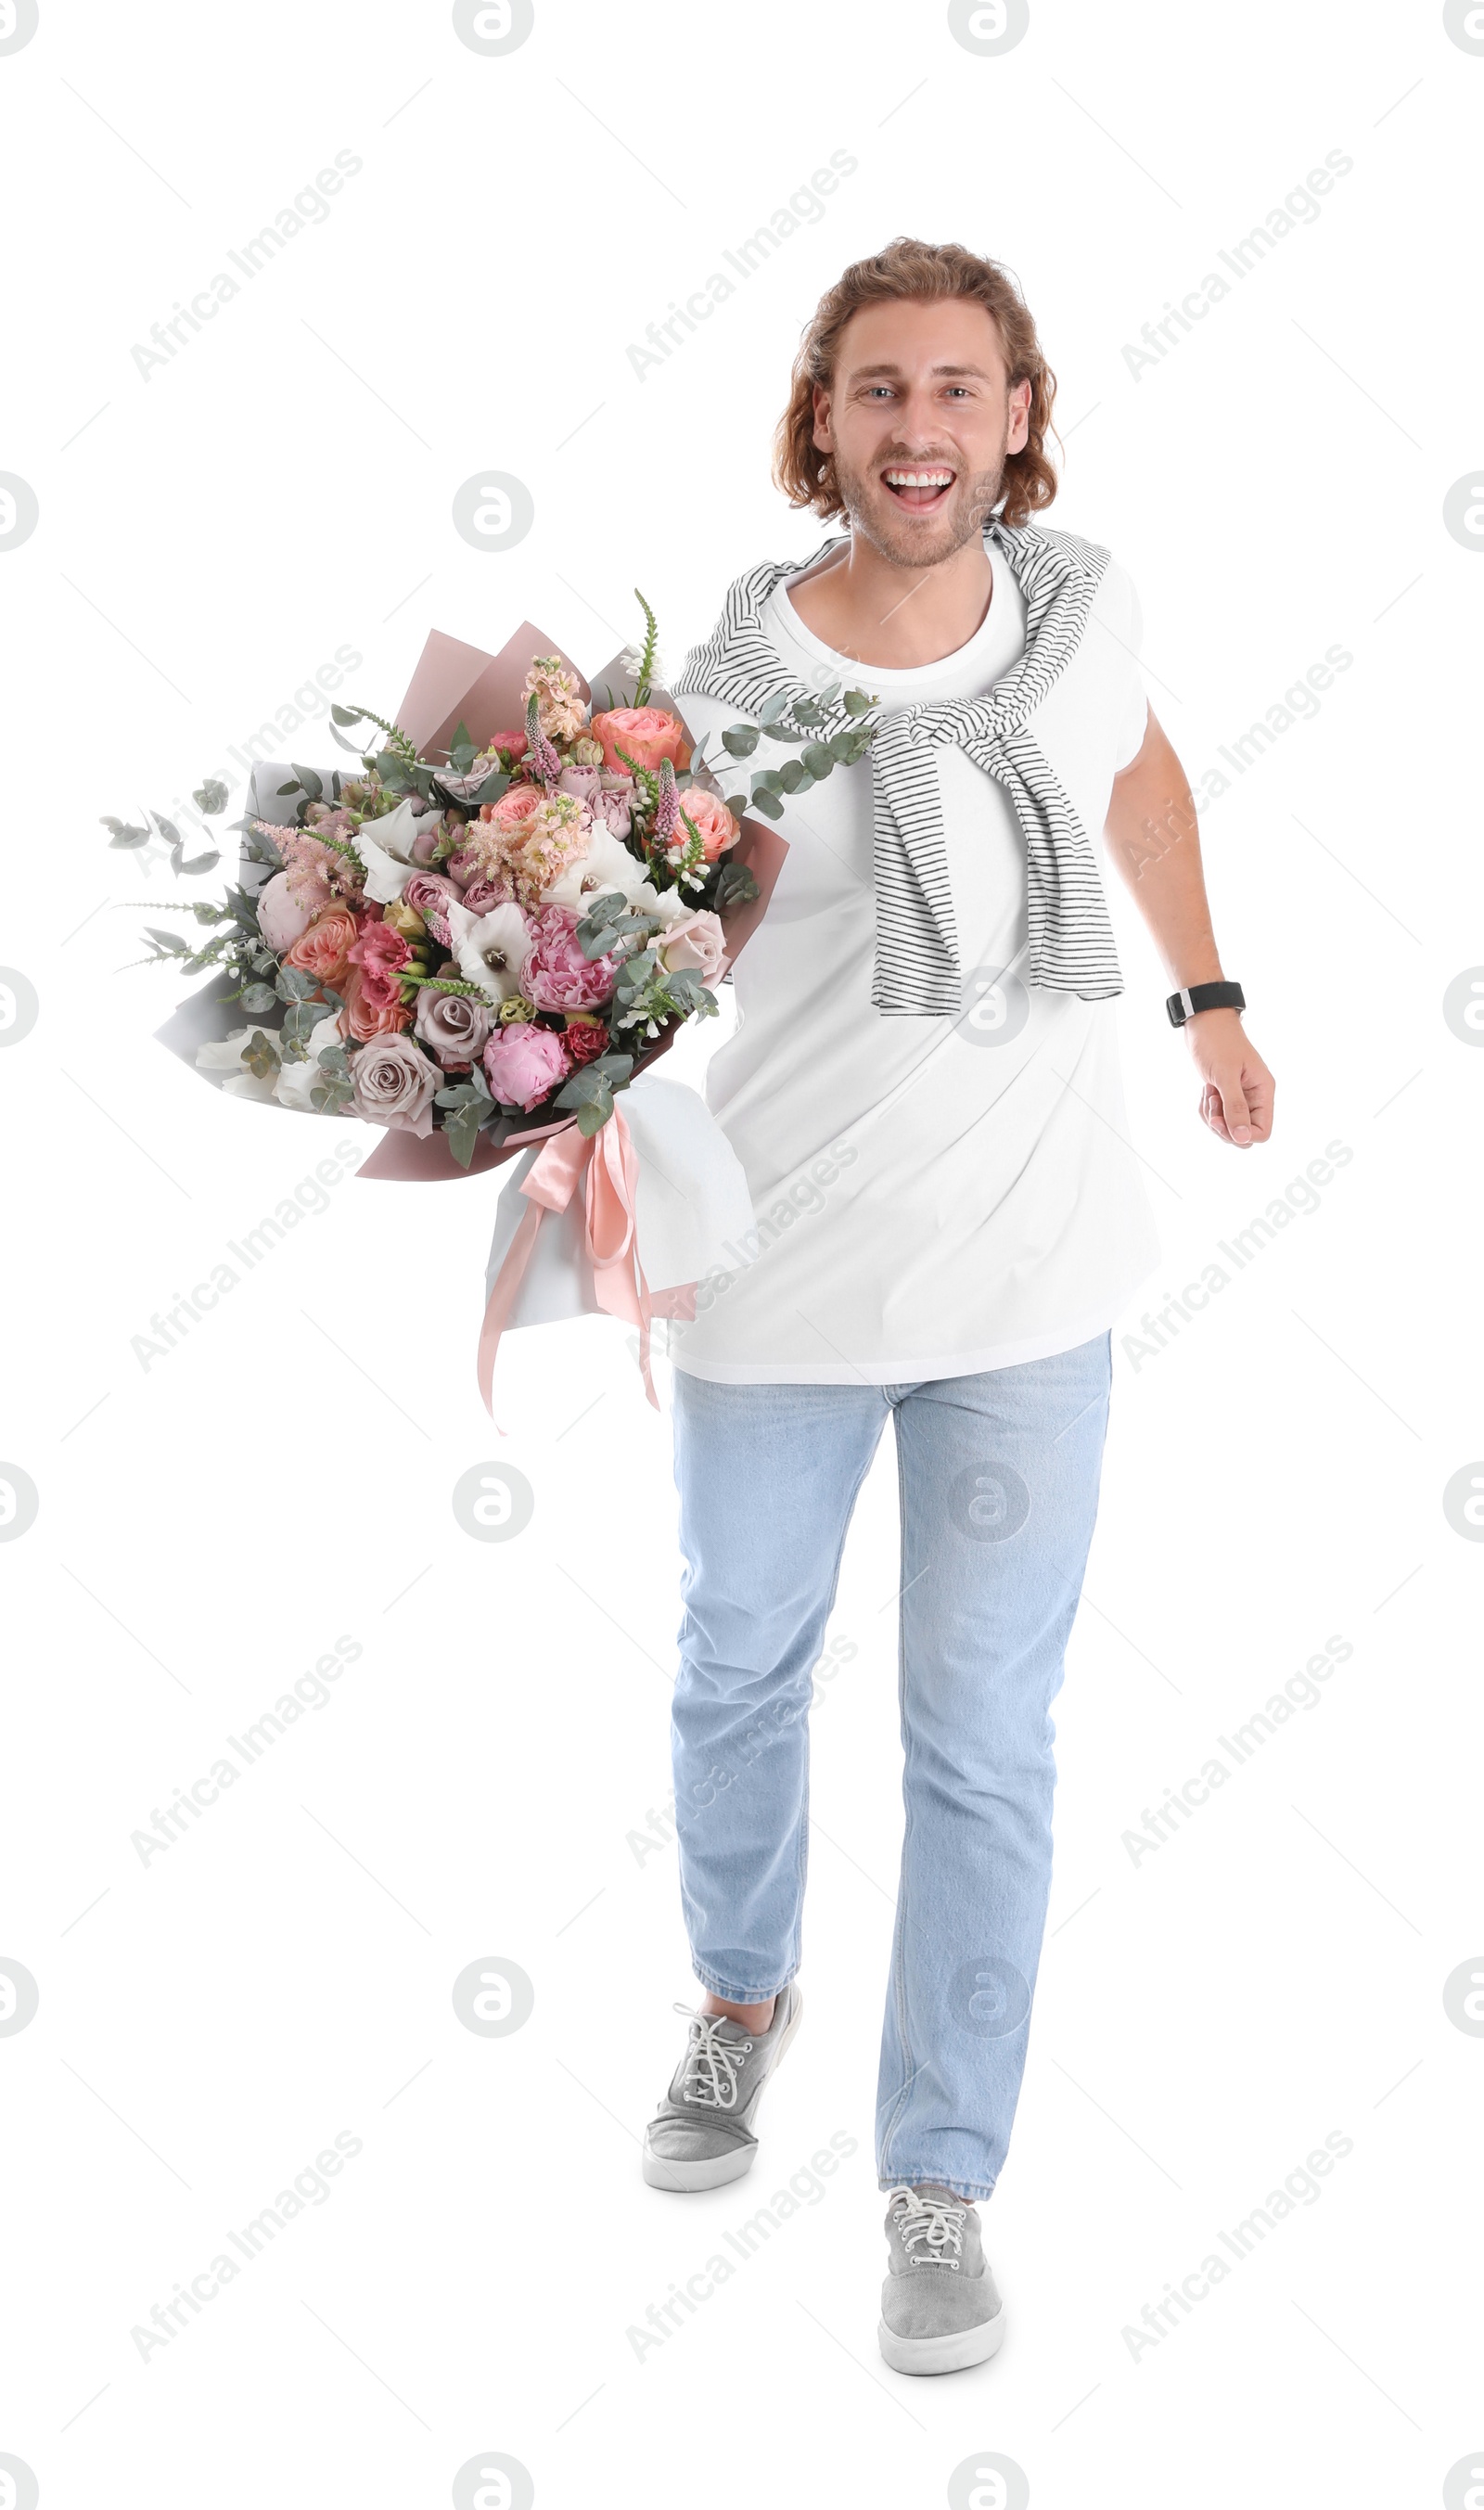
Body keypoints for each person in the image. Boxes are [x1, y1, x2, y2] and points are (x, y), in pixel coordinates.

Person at [640, 237, 1274, 2376]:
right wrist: (539, 1077)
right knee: (739, 1662)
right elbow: (643, 944)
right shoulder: (724, 696)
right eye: (878, 390)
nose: (919, 428)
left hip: (1029, 1285)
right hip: (780, 1279)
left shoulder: (1083, 612)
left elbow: (1138, 782)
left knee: (982, 1746)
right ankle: (740, 1998)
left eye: (959, 389)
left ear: (1018, 417)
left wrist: (1206, 1000)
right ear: (818, 420)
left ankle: (939, 2177)